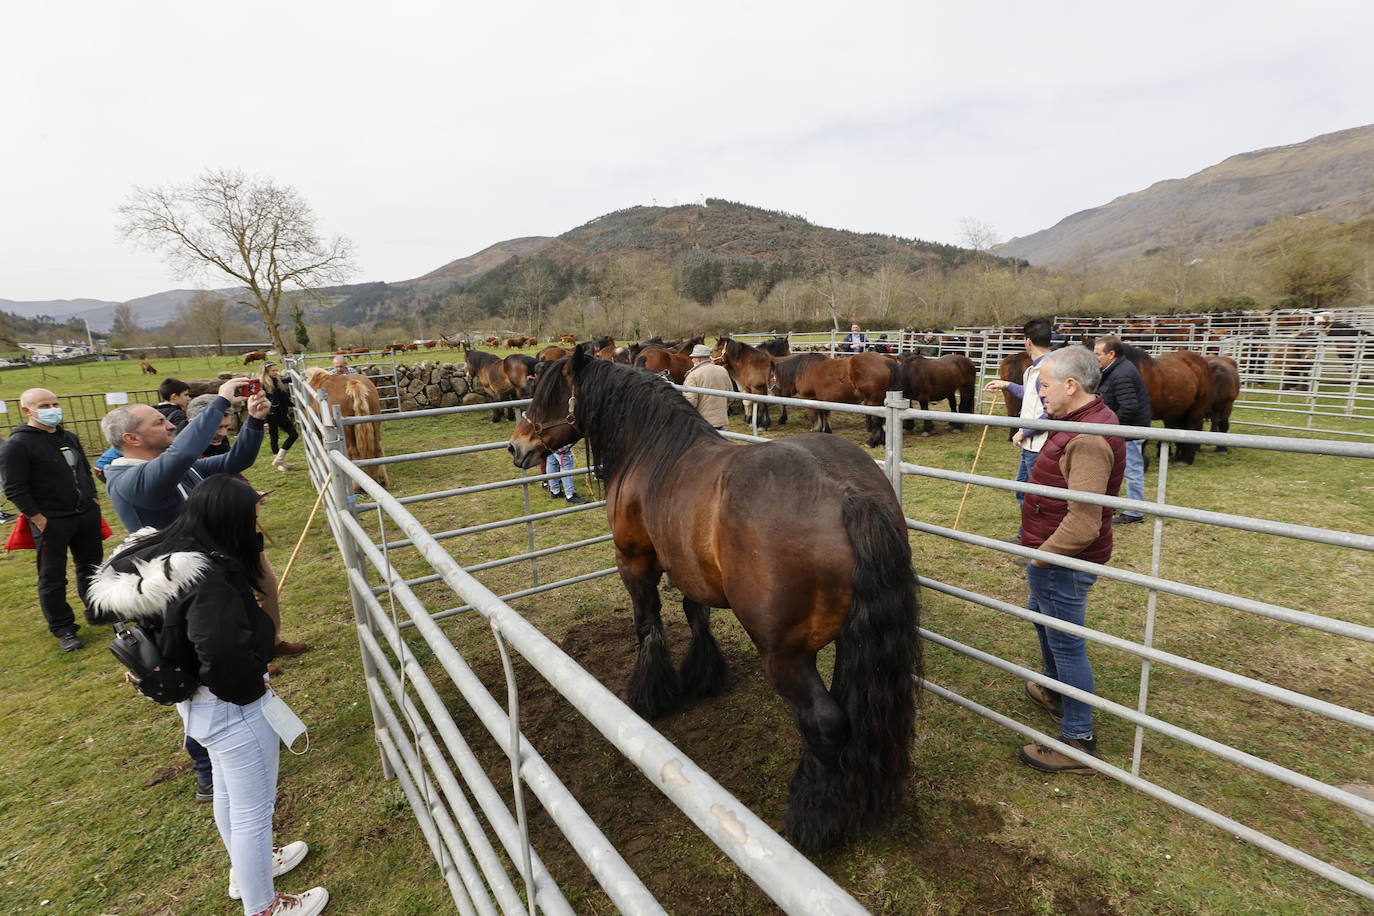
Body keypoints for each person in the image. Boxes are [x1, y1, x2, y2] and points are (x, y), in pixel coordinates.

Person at [86, 476, 328, 915]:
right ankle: (263, 905)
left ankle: (247, 870)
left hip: (194, 698)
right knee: (254, 809)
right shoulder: (206, 576)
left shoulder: (159, 556)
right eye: (250, 516)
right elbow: (219, 650)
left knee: (228, 792)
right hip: (229, 705)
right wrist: (251, 689)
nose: (255, 523)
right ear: (230, 518)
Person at [1016, 346, 1125, 775]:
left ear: (1070, 385)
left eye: (1043, 385)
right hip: (1049, 550)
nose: (1040, 393)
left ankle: (1078, 740)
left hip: (1062, 558)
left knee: (1065, 639)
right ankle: (1056, 693)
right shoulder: (1080, 420)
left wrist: (1042, 558)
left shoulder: (1088, 440)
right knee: (1041, 616)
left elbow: (1083, 524)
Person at [1, 388, 104, 652]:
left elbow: (83, 469)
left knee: (91, 566)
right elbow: (14, 487)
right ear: (27, 410)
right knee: (52, 576)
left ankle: (97, 610)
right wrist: (37, 517)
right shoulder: (18, 445)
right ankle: (63, 628)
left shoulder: (68, 436)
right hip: (51, 521)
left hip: (84, 515)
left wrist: (92, 498)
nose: (52, 409)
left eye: (55, 403)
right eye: (44, 405)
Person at [984, 318, 1056, 539]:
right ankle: (1026, 536)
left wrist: (1025, 431)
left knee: (1035, 497)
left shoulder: (1046, 370)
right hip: (1031, 444)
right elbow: (1030, 396)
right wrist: (1006, 385)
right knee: (1023, 491)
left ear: (1027, 341)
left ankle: (1036, 541)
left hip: (1040, 444)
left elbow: (1050, 410)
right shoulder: (1034, 370)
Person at [1093, 336, 1152, 525]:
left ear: (1111, 354)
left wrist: (1109, 425)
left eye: (1098, 354)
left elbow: (1129, 407)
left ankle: (1134, 511)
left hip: (1129, 431)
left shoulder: (1122, 373)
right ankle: (1112, 504)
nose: (1095, 358)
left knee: (1132, 469)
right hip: (1123, 429)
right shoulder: (1115, 370)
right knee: (1115, 468)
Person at [681, 344, 733, 430]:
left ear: (699, 358)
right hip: (720, 421)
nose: (692, 360)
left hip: (702, 423)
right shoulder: (722, 370)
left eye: (693, 357)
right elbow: (731, 396)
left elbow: (690, 402)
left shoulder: (693, 375)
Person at [259, 362, 298, 470]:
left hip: (280, 413)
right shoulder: (262, 385)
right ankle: (280, 463)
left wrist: (300, 375)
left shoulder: (277, 381)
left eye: (277, 370)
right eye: (273, 371)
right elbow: (261, 403)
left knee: (293, 434)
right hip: (270, 415)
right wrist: (264, 421)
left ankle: (279, 459)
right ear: (266, 372)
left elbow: (288, 379)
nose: (276, 372)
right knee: (274, 436)